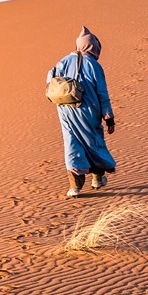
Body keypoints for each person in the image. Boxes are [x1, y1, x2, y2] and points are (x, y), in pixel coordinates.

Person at [47, 26, 116, 197]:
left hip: (65, 111)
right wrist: (109, 118)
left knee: (72, 143)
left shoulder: (62, 61)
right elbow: (102, 94)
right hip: (88, 112)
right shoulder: (94, 66)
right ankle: (96, 180)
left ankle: (74, 187)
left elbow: (50, 79)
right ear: (92, 47)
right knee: (93, 142)